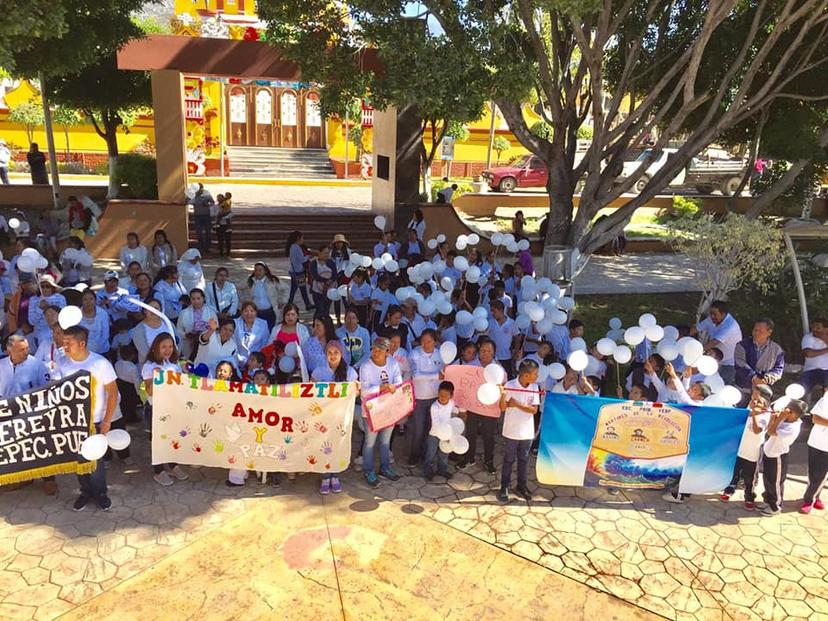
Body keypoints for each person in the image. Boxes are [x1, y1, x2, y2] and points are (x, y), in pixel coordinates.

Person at [59, 326, 120, 512]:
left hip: (95, 420)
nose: (65, 347)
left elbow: (113, 393)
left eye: (68, 343)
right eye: (63, 343)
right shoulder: (62, 363)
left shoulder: (100, 363)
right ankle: (85, 491)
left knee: (96, 461)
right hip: (72, 421)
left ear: (82, 343)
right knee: (79, 460)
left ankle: (101, 493)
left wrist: (107, 420)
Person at [141, 333, 189, 486]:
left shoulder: (174, 365)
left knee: (173, 438)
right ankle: (159, 471)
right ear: (156, 348)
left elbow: (180, 386)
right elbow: (149, 391)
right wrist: (156, 379)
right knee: (158, 440)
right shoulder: (149, 366)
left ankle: (173, 466)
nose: (167, 350)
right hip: (156, 408)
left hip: (172, 407)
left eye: (170, 346)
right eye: (163, 347)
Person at [312, 340, 358, 494]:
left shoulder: (350, 372)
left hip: (341, 417)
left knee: (339, 445)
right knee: (324, 446)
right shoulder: (319, 372)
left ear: (342, 354)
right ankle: (325, 476)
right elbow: (311, 393)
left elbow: (356, 393)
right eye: (329, 353)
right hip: (324, 417)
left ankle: (335, 475)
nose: (332, 356)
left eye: (336, 353)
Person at [358, 337, 403, 486]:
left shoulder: (393, 363)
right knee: (369, 442)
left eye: (380, 350)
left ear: (387, 352)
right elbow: (364, 392)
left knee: (385, 441)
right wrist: (383, 388)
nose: (376, 353)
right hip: (370, 411)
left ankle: (385, 468)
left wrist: (393, 387)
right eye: (374, 349)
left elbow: (398, 382)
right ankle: (368, 470)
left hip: (388, 409)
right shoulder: (365, 366)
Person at [720, 384, 772, 510]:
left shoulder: (766, 414)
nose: (754, 400)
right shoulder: (751, 406)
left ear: (765, 400)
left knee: (749, 477)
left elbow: (757, 430)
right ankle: (729, 490)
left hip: (752, 452)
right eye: (753, 395)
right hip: (740, 448)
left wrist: (754, 415)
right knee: (734, 472)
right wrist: (751, 411)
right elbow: (742, 417)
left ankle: (749, 497)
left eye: (757, 398)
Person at [498, 359, 541, 503]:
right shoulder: (510, 385)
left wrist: (515, 404)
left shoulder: (535, 387)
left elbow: (534, 409)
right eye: (535, 373)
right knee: (508, 459)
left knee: (524, 460)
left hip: (527, 431)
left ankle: (521, 486)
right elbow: (503, 407)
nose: (537, 376)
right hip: (511, 430)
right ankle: (504, 486)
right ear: (525, 375)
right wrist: (503, 394)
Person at [458, 339, 502, 473]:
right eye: (483, 350)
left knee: (488, 436)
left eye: (489, 351)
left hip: (489, 408)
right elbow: (463, 387)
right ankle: (469, 457)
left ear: (494, 353)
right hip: (473, 406)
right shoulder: (471, 366)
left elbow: (503, 387)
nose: (485, 353)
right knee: (470, 433)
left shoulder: (498, 369)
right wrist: (462, 408)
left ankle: (488, 460)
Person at [759, 399, 804, 516]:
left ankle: (776, 506)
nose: (784, 410)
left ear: (793, 413)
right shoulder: (786, 420)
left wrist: (778, 418)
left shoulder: (793, 428)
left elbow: (771, 431)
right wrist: (774, 418)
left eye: (787, 409)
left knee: (776, 483)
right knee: (768, 480)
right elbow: (768, 428)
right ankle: (768, 501)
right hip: (769, 453)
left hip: (778, 457)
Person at [407, 329, 444, 467]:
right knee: (418, 429)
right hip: (420, 398)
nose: (426, 344)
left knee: (431, 428)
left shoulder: (440, 355)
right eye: (423, 341)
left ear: (435, 341)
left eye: (429, 341)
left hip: (435, 397)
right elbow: (416, 376)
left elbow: (445, 373)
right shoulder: (414, 354)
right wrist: (436, 376)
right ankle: (414, 455)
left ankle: (426, 454)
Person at [734, 318, 785, 404]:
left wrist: (769, 377)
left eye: (760, 331)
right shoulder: (742, 345)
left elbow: (778, 368)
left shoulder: (777, 349)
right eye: (755, 330)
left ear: (769, 332)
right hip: (743, 388)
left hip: (763, 391)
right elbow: (740, 364)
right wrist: (754, 377)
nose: (756, 333)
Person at [693, 301, 742, 384]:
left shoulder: (730, 326)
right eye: (710, 314)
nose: (712, 316)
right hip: (714, 360)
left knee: (719, 387)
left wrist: (696, 354)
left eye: (714, 314)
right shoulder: (711, 319)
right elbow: (695, 329)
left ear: (723, 314)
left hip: (728, 365)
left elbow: (714, 342)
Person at [423, 380, 457, 480]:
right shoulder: (434, 407)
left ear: (451, 396)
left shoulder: (452, 403)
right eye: (441, 395)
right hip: (434, 434)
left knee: (444, 454)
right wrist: (445, 434)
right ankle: (427, 471)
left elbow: (453, 416)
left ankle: (442, 470)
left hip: (447, 435)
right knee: (431, 453)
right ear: (438, 393)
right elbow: (436, 423)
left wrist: (451, 434)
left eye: (446, 395)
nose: (443, 397)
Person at [802, 390, 828, 513]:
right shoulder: (824, 400)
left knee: (821, 474)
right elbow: (815, 419)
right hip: (815, 442)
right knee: (813, 473)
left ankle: (809, 499)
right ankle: (815, 495)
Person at [176, 288, 217, 360]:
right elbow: (178, 330)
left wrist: (205, 334)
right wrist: (186, 335)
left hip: (206, 343)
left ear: (203, 298)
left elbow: (216, 329)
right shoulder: (183, 313)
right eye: (193, 299)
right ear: (190, 300)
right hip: (189, 344)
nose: (196, 301)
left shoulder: (211, 312)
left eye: (198, 298)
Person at [247, 262, 287, 331]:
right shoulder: (251, 281)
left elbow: (285, 288)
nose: (258, 272)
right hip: (256, 313)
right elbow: (238, 288)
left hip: (269, 312)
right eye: (256, 270)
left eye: (260, 270)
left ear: (265, 271)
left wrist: (282, 300)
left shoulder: (272, 280)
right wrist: (244, 300)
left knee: (270, 331)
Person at [28, 275, 66, 347]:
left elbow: (63, 317)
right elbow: (32, 321)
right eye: (42, 286)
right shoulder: (33, 300)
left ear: (52, 287)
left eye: (47, 286)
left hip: (58, 332)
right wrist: (39, 309)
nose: (44, 289)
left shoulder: (60, 298)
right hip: (40, 334)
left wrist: (49, 309)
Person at [131, 299, 171, 364]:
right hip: (150, 365)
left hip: (171, 362)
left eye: (156, 308)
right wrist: (160, 361)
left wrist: (172, 357)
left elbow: (177, 341)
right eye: (150, 308)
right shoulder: (138, 329)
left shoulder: (167, 323)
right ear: (145, 311)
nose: (153, 311)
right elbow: (144, 351)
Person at [234, 302, 270, 370]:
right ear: (241, 313)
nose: (249, 313)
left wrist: (256, 360)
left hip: (255, 363)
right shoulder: (235, 323)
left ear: (256, 313)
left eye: (252, 311)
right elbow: (232, 343)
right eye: (246, 311)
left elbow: (265, 344)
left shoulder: (263, 324)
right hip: (237, 361)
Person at [285, 231, 313, 311]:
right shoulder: (297, 247)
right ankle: (306, 304)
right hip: (299, 271)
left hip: (294, 270)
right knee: (300, 289)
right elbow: (302, 259)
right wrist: (308, 256)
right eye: (302, 238)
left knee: (298, 288)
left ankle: (306, 303)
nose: (303, 240)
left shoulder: (292, 247)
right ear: (298, 238)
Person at [488, 300, 517, 376]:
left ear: (501, 310)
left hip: (506, 357)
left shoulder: (511, 323)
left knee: (506, 376)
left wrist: (516, 351)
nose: (492, 313)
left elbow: (517, 336)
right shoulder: (490, 322)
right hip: (492, 357)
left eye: (494, 311)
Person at [800, 319, 828, 396]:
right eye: (813, 327)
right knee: (800, 389)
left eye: (818, 327)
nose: (814, 329)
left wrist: (823, 337)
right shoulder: (808, 337)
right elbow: (808, 353)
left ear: (825, 329)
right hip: (810, 370)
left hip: (827, 370)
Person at [79, 290, 110, 356]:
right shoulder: (76, 314)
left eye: (91, 299)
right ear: (81, 301)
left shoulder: (103, 313)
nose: (88, 302)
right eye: (85, 299)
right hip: (82, 350)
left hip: (102, 350)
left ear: (95, 300)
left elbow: (105, 334)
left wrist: (96, 348)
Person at [310, 245, 336, 317]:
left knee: (326, 310)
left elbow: (334, 274)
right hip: (317, 290)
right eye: (325, 253)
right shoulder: (314, 263)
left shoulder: (331, 263)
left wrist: (331, 281)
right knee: (319, 309)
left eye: (328, 253)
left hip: (329, 290)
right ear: (319, 253)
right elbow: (315, 275)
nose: (326, 255)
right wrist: (326, 281)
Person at [189, 183, 216, 253]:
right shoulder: (193, 195)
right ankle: (201, 247)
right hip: (197, 216)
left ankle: (208, 247)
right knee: (199, 233)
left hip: (206, 216)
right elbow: (188, 202)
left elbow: (213, 202)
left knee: (208, 232)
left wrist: (207, 204)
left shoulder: (206, 193)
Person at [330, 234, 350, 325]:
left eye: (340, 243)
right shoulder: (332, 253)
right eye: (337, 243)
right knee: (336, 298)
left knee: (346, 298)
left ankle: (348, 316)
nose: (339, 244)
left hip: (345, 276)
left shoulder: (348, 252)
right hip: (335, 277)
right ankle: (338, 318)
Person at [215, 192, 233, 257]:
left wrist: (226, 217)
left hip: (226, 225)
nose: (218, 199)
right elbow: (214, 213)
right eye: (217, 198)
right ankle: (221, 253)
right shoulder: (217, 206)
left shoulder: (227, 204)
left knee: (228, 240)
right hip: (220, 225)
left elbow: (232, 213)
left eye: (220, 198)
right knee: (220, 240)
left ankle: (228, 253)